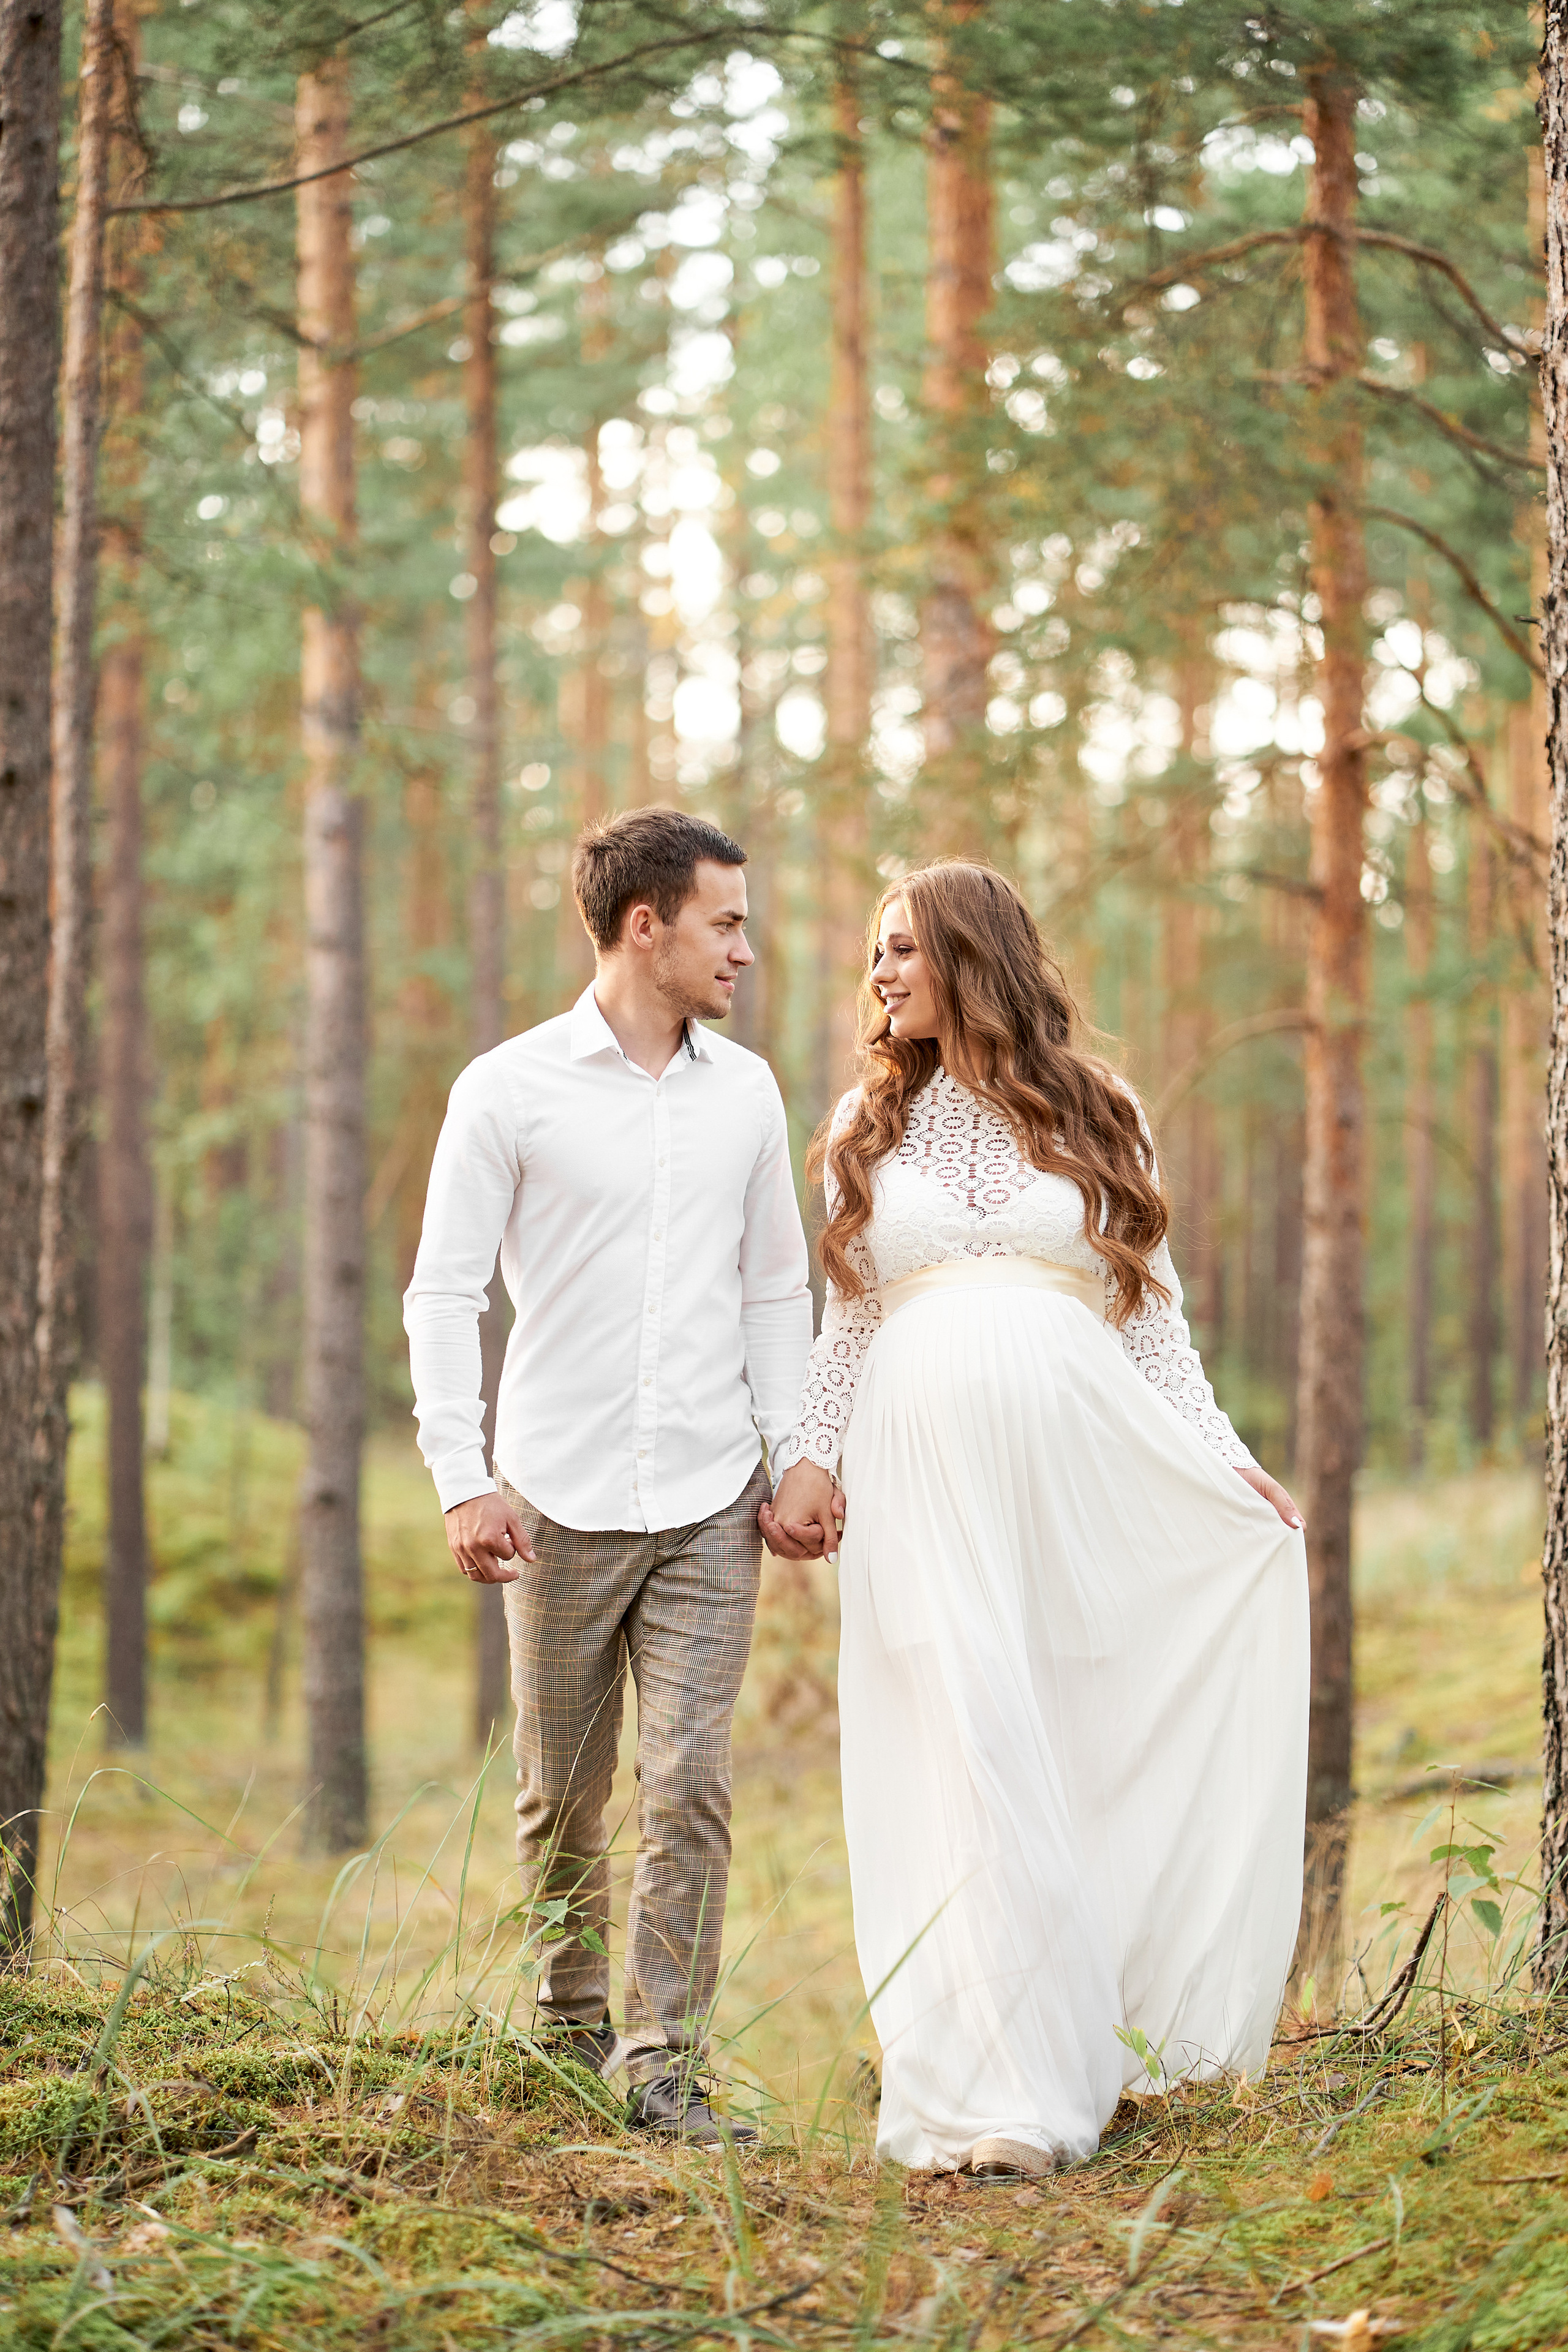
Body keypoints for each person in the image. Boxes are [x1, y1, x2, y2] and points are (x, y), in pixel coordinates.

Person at [766, 861, 1310, 2178]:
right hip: (920, 1473)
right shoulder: (867, 1122)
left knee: (1068, 1741)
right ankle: (997, 2092)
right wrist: (809, 1456)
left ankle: (1099, 2042)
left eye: (905, 947)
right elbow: (848, 1320)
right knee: (968, 1745)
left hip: (1083, 1477)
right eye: (877, 950)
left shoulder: (1098, 1109)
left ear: (974, 955)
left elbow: (1153, 1322)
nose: (881, 971)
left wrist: (1226, 1461)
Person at [403, 806, 814, 2143]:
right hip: (555, 1503)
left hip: (711, 1500)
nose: (742, 950)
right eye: (724, 924)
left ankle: (663, 2066)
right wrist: (461, 1476)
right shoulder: (506, 1089)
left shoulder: (746, 1094)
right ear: (647, 927)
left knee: (689, 1784)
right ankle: (569, 2038)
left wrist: (794, 1452)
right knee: (561, 1799)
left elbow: (774, 1288)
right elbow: (444, 1293)